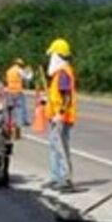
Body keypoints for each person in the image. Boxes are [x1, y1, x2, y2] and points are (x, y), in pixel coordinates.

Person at [45, 38, 77, 192]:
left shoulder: (63, 73)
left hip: (61, 118)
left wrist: (60, 113)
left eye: (52, 55)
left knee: (61, 148)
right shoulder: (58, 74)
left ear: (58, 55)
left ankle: (65, 179)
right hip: (54, 116)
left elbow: (67, 97)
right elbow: (57, 95)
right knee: (54, 147)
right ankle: (56, 177)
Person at [4, 58, 32, 128]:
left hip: (10, 91)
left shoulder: (9, 71)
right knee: (20, 107)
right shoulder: (19, 70)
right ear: (20, 64)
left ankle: (10, 122)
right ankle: (21, 122)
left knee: (10, 108)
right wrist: (29, 71)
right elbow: (28, 77)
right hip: (18, 92)